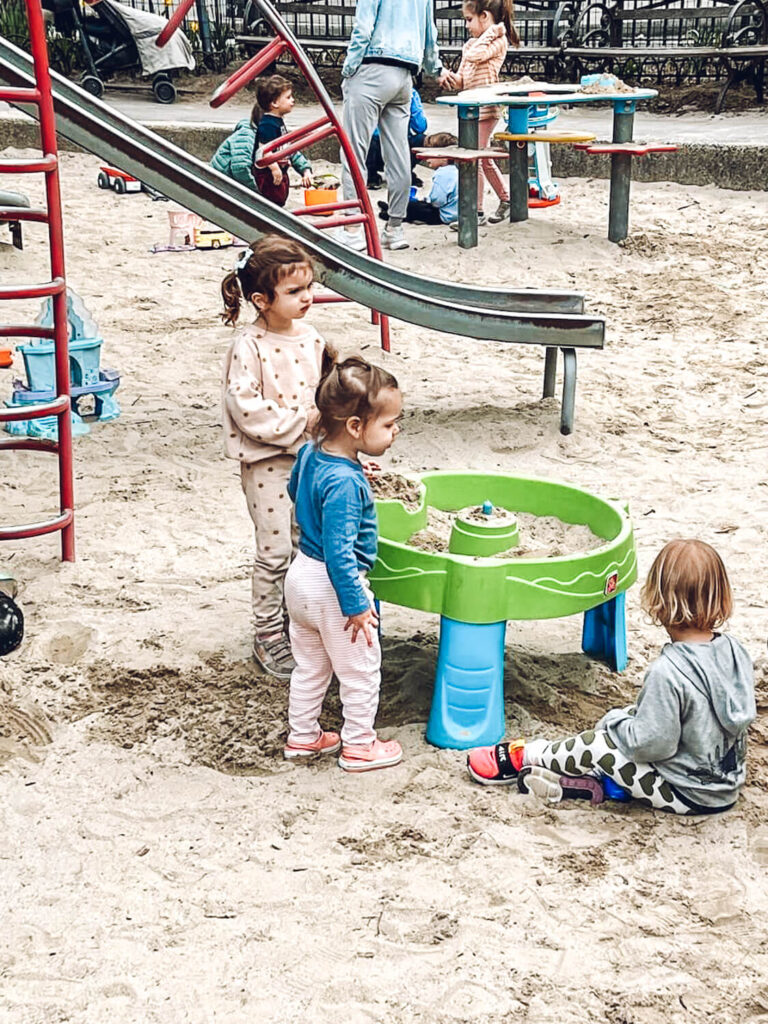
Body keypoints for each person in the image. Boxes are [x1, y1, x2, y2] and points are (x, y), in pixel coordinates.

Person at [467, 539, 756, 814]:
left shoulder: (668, 672)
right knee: (639, 713)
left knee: (600, 744)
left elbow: (652, 745)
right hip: (723, 787)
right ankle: (590, 786)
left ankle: (526, 756)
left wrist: (614, 723)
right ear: (721, 596)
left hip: (685, 794)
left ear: (659, 601)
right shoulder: (735, 650)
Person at [220, 236, 335, 680]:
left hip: (311, 459)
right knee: (274, 551)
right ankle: (267, 634)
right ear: (261, 300)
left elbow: (327, 398)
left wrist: (336, 444)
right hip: (267, 463)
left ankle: (298, 622)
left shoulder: (313, 339)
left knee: (308, 541)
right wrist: (298, 423)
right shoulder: (249, 345)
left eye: (309, 287)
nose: (307, 297)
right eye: (294, 291)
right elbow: (244, 407)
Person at [282, 357, 404, 773]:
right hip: (334, 587)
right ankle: (359, 746)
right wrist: (356, 604)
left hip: (299, 577)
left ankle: (303, 737)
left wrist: (353, 466)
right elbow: (340, 552)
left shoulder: (313, 453)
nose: (395, 431)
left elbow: (294, 489)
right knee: (360, 672)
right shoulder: (346, 484)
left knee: (311, 666)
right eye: (388, 424)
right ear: (355, 427)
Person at [336, 0, 453, 253]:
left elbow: (363, 28)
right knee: (398, 154)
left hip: (372, 66)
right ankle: (395, 229)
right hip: (404, 76)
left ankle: (352, 229)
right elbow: (429, 36)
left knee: (354, 151)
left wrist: (349, 69)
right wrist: (437, 69)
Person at [445, 0, 519, 225]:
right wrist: (450, 79)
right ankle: (506, 199)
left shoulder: (498, 40)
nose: (467, 26)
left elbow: (477, 56)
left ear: (485, 16)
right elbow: (463, 79)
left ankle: (475, 212)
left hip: (487, 108)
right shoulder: (472, 45)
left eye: (469, 19)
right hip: (471, 109)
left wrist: (495, 29)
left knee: (474, 159)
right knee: (483, 159)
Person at [211, 75, 312, 206]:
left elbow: (288, 150)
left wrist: (305, 170)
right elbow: (240, 167)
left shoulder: (274, 128)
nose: (293, 100)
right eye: (288, 97)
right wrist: (255, 196)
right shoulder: (248, 135)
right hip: (221, 181)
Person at [378, 131, 459, 225]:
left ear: (444, 157)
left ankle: (393, 213)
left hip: (445, 215)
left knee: (415, 207)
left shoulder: (442, 173)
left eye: (430, 154)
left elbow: (437, 200)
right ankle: (392, 208)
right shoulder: (455, 170)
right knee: (419, 205)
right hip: (454, 212)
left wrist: (429, 200)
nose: (426, 158)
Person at [366, 86, 428, 189]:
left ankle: (406, 172)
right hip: (384, 148)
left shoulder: (410, 93)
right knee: (370, 139)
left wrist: (412, 104)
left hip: (398, 147)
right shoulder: (372, 92)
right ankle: (371, 175)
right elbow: (420, 127)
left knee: (423, 139)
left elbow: (420, 127)